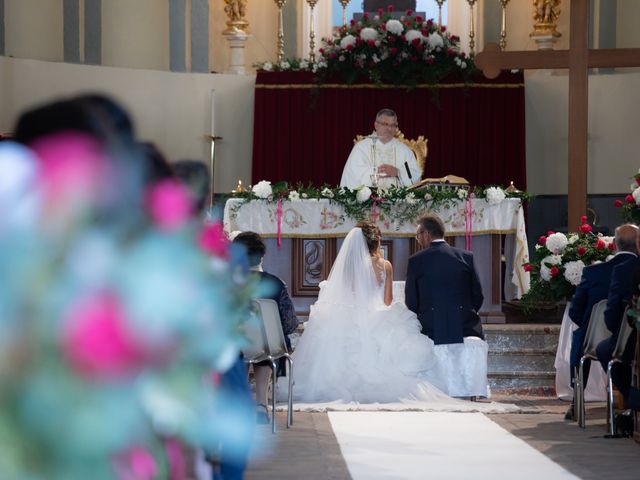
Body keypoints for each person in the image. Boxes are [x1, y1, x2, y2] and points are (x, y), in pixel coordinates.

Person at [287, 221, 506, 409]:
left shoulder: (349, 267)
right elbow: (387, 301)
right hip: (377, 314)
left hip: (351, 314)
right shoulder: (385, 265)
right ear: (376, 242)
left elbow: (345, 294)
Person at [565, 224, 638, 420]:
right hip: (632, 336)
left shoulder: (594, 272)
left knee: (580, 334)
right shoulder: (635, 270)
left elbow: (575, 311)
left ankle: (577, 399)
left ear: (614, 244)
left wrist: (592, 327)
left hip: (595, 339)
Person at [232, 232, 299, 420]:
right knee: (266, 342)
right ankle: (262, 404)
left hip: (236, 344)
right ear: (262, 256)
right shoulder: (277, 284)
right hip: (269, 346)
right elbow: (289, 323)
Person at [405, 213, 484, 344]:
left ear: (426, 234)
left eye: (418, 235)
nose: (418, 239)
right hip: (465, 326)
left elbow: (411, 302)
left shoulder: (416, 261)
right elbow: (478, 296)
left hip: (430, 327)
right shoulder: (466, 257)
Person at [596, 226, 640, 408]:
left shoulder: (626, 270)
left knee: (607, 350)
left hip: (634, 338)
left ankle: (631, 401)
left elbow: (612, 315)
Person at [340, 108, 421, 189]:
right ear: (376, 125)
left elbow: (415, 178)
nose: (389, 129)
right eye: (385, 124)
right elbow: (353, 175)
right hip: (369, 200)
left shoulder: (404, 150)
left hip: (398, 200)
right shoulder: (361, 148)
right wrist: (377, 172)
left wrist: (398, 172)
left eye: (393, 125)